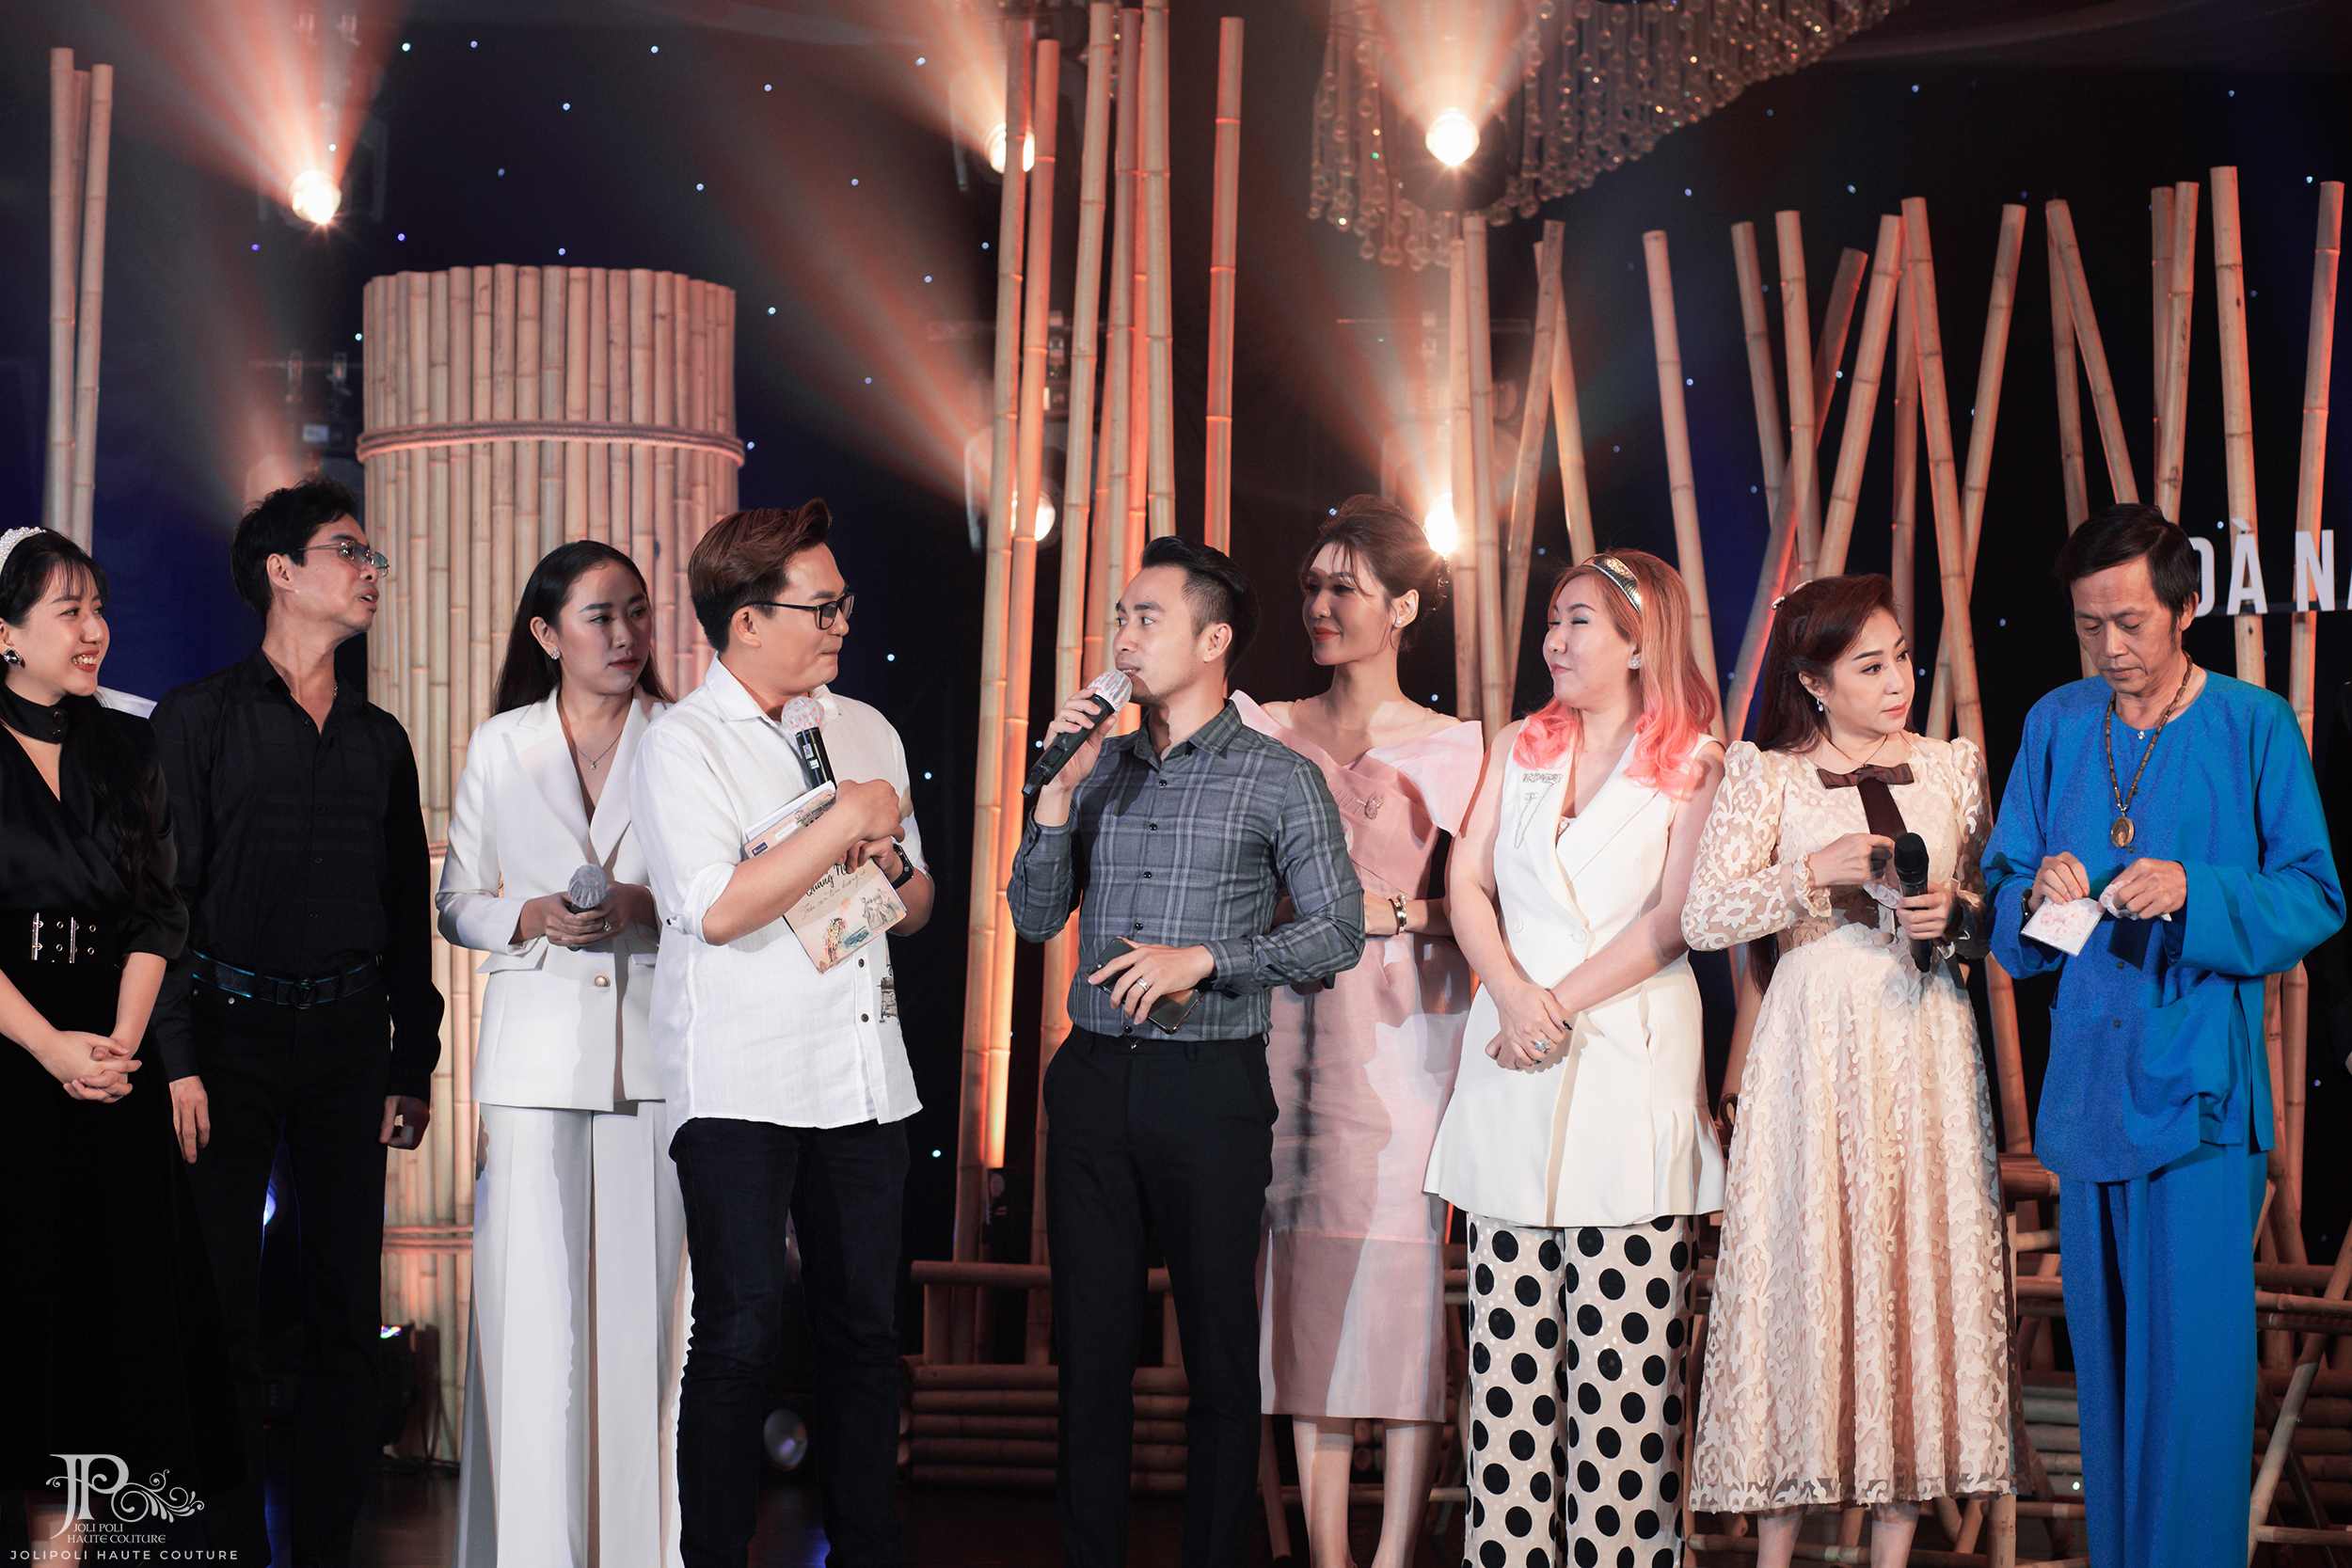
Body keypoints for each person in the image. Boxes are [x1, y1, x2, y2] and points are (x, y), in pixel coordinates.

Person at [1981, 504, 2342, 1568]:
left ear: (2185, 610)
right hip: (2090, 1087)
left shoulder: (2252, 725)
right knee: (2108, 1387)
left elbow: (2314, 894)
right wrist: (2032, 891)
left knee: (2191, 1389)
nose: (2110, 647)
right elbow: (2002, 893)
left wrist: (2196, 888)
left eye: (2131, 622)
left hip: (2198, 1098)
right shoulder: (2057, 723)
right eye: (2089, 625)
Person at [1007, 533, 1366, 1568]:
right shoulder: (1098, 766)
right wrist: (1054, 794)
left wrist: (1207, 958)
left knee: (1217, 1349)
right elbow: (1034, 917)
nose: (1123, 636)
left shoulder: (1278, 777)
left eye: (1145, 617)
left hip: (1210, 1086)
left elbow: (1338, 930)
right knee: (1090, 1351)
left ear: (1213, 640)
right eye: (1119, 617)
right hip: (1091, 1077)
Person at [1681, 573, 2012, 1566]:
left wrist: (1956, 912)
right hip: (1812, 1047)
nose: (1898, 680)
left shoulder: (1952, 768)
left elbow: (1993, 909)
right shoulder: (1768, 776)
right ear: (1813, 682)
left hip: (1924, 1039)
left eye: (1901, 656)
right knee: (1806, 1272)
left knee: (1913, 1276)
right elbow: (1703, 915)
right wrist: (1807, 874)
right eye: (1870, 666)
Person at [629, 501, 932, 1568]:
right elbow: (714, 908)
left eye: (843, 603)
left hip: (863, 1071)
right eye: (821, 606)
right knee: (741, 1330)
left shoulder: (866, 728)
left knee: (865, 1333)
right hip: (740, 1078)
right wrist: (845, 820)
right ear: (747, 619)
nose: (841, 623)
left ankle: (867, 1546)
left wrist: (887, 859)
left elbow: (917, 901)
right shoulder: (682, 743)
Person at [151, 479, 444, 1568]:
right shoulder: (196, 718)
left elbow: (406, 913)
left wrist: (411, 1058)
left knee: (343, 1309)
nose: (370, 570)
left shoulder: (381, 737)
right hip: (221, 1041)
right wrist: (175, 1058)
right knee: (218, 1306)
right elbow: (162, 904)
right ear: (282, 571)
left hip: (346, 1046)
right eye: (348, 549)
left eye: (371, 554)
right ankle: (226, 1542)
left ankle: (326, 1543)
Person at [1422, 549, 1726, 1568]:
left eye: (1579, 621)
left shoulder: (1696, 761)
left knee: (1626, 1400)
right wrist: (1512, 993)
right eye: (1553, 619)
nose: (1555, 639)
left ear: (1641, 641)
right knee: (1504, 1394)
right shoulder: (1518, 745)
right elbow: (1465, 883)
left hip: (1625, 1073)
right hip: (1511, 1063)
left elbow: (1672, 921)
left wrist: (1552, 1002)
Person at [1232, 497, 1479, 1568]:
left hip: (1405, 1032)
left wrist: (1397, 911)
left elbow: (1489, 908)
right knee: (1302, 1273)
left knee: (1401, 1275)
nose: (1321, 607)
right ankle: (1326, 1548)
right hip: (1284, 1025)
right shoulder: (1262, 727)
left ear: (1404, 607)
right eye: (1312, 587)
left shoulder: (1460, 748)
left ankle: (1392, 1553)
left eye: (1346, 588)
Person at [443, 542, 687, 1568]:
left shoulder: (684, 738)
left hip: (656, 1063)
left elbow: (726, 894)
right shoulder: (502, 743)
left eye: (637, 611)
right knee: (534, 1324)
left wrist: (643, 905)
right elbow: (457, 900)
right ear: (546, 634)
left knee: (649, 1326)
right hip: (534, 1063)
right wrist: (529, 914)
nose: (625, 634)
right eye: (600, 615)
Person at [0, 527, 232, 1556]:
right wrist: (50, 1046)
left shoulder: (128, 745)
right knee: (24, 1300)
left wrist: (120, 1043)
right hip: (15, 1043)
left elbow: (160, 910)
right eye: (69, 612)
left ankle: (75, 1541)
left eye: (98, 609)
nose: (95, 630)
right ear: (6, 633)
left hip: (112, 1050)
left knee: (112, 1309)